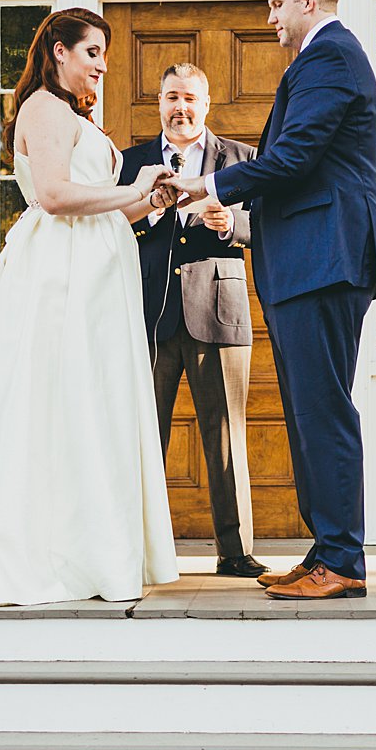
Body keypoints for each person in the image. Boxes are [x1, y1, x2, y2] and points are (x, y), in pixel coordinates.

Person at [0, 8, 180, 606]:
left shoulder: (70, 115)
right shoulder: (42, 107)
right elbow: (56, 196)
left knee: (92, 407)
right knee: (57, 402)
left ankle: (93, 550)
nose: (103, 66)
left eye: (104, 54)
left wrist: (153, 202)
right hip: (59, 277)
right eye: (93, 52)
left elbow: (109, 211)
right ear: (59, 51)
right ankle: (47, 553)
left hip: (96, 275)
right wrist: (134, 187)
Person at [168, 0, 376, 602]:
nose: (268, 19)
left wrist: (205, 183)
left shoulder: (328, 57)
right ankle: (326, 549)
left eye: (273, 4)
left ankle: (343, 559)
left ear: (307, 2)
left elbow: (293, 158)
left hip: (326, 259)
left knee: (322, 410)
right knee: (307, 410)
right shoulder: (324, 60)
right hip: (310, 262)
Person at [117, 63, 267, 581]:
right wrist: (152, 212)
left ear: (207, 104)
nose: (180, 108)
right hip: (148, 315)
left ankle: (236, 550)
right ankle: (138, 551)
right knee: (143, 435)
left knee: (226, 434)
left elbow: (269, 223)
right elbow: (110, 228)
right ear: (158, 102)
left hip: (218, 313)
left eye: (190, 99)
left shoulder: (241, 159)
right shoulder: (130, 162)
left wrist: (234, 225)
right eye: (170, 97)